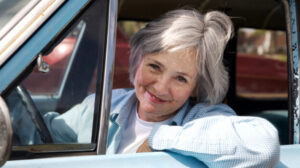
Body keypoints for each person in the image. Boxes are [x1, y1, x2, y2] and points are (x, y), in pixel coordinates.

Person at [9, 9, 279, 167]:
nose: (161, 87)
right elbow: (42, 137)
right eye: (155, 67)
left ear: (198, 86)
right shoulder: (105, 104)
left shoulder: (203, 118)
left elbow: (263, 146)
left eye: (181, 79)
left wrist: (157, 139)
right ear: (137, 59)